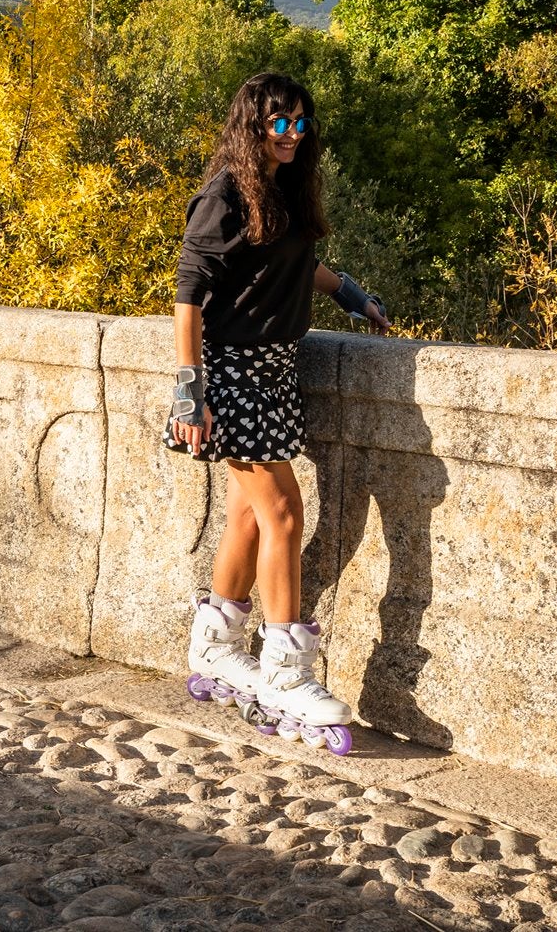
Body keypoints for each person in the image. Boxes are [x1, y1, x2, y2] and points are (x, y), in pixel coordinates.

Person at [165, 71, 387, 753]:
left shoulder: (282, 189)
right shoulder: (224, 193)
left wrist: (346, 290)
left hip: (275, 370)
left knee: (247, 513)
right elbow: (187, 292)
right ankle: (285, 670)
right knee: (284, 511)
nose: (292, 134)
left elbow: (290, 264)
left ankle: (216, 643)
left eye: (300, 123)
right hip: (228, 374)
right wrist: (188, 392)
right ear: (252, 124)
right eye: (279, 123)